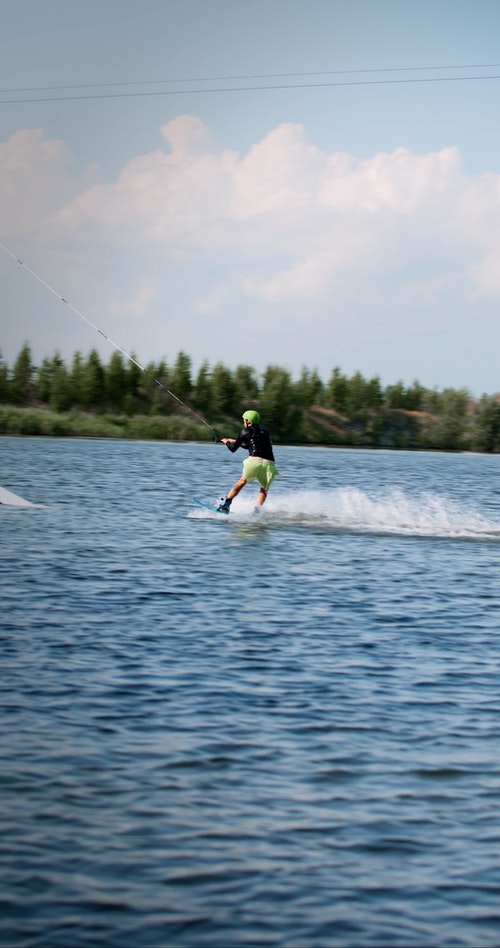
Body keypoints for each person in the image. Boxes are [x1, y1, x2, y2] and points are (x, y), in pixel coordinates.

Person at [217, 410, 279, 513]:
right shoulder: (266, 431)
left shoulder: (245, 431)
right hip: (269, 464)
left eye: (243, 420)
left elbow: (233, 449)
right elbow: (253, 445)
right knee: (264, 489)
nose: (243, 422)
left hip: (254, 462)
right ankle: (257, 511)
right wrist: (234, 441)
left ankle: (226, 505)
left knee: (242, 482)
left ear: (247, 420)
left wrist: (226, 442)